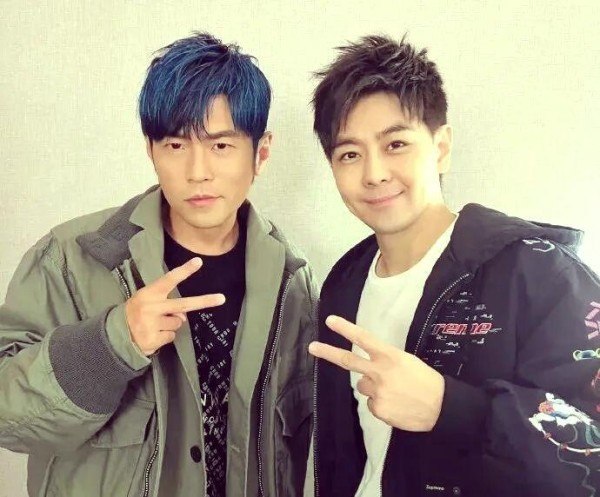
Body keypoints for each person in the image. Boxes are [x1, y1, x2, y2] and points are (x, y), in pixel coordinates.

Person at [0, 32, 317, 497]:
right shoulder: (71, 258)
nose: (198, 172)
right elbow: (8, 419)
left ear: (261, 153)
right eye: (175, 145)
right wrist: (111, 343)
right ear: (151, 150)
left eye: (221, 146)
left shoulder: (292, 281)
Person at [308, 34, 600, 497]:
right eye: (350, 154)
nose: (374, 173)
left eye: (396, 144)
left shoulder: (539, 273)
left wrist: (452, 409)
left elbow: (591, 458)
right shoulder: (343, 284)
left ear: (441, 146)